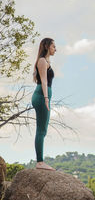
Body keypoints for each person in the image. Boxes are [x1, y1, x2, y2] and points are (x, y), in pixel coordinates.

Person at [32, 38, 57, 170]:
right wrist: (46, 98)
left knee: (43, 129)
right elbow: (43, 81)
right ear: (47, 47)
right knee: (41, 130)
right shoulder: (42, 61)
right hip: (41, 96)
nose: (55, 49)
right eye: (53, 46)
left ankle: (40, 161)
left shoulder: (46, 61)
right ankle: (40, 162)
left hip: (44, 96)